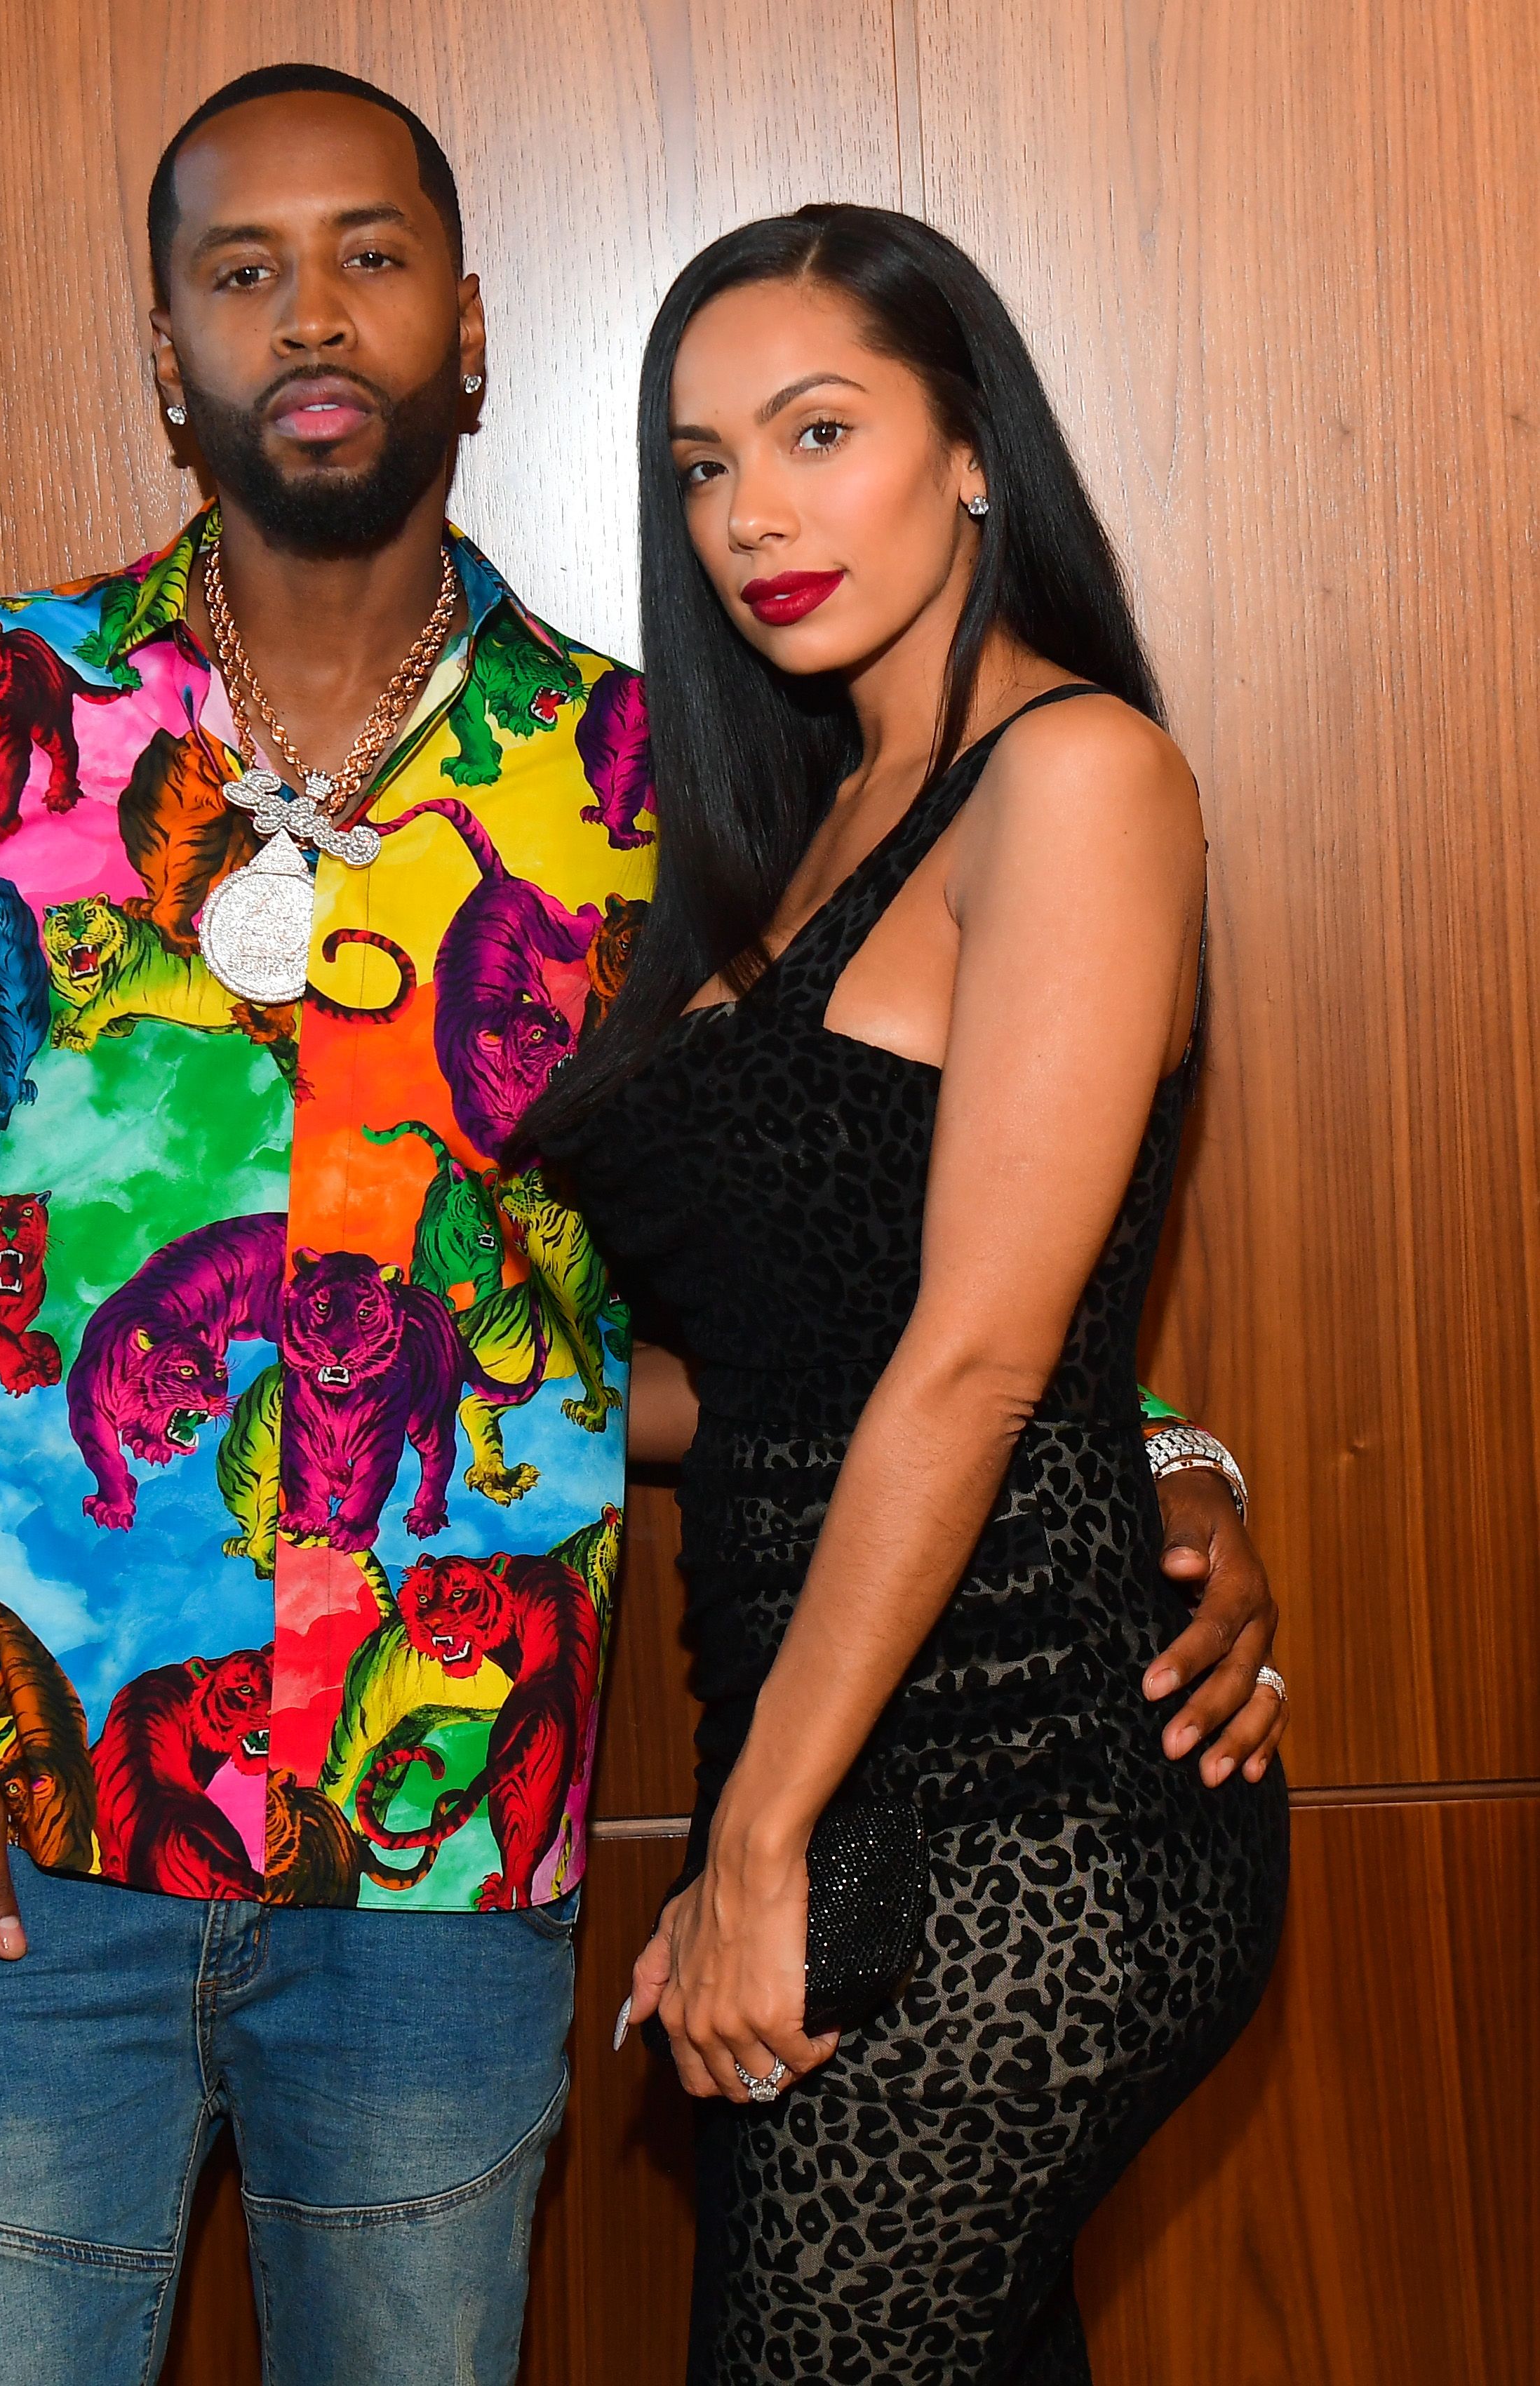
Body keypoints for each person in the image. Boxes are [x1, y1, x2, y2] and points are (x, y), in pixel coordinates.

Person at [0, 69, 1285, 2386]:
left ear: (469, 329)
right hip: (9, 1818)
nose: (309, 314)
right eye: (240, 274)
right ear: (168, 355)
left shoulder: (660, 791)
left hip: (443, 1847)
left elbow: (841, 1229)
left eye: (369, 256)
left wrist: (1153, 1450)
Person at [533, 204, 1291, 2384]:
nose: (749, 512)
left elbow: (976, 1359)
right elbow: (788, 1373)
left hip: (1029, 1783)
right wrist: (487, 1408)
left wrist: (751, 1840)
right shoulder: (800, 813)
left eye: (815, 430)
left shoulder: (1072, 774)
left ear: (973, 451)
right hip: (847, 1747)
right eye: (698, 464)